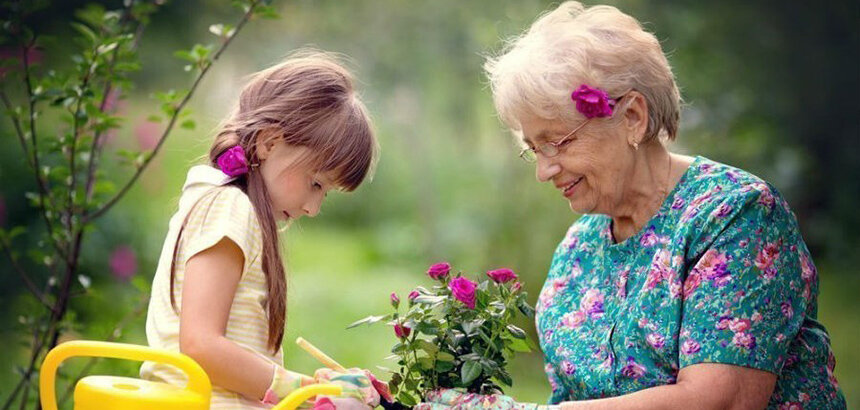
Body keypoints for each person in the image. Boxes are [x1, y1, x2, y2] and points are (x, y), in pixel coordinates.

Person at [417, 2, 846, 409]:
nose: (543, 171)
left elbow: (723, 401)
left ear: (633, 118)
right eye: (534, 149)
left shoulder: (736, 215)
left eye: (557, 141)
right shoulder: (578, 246)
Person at [140, 51, 382, 409]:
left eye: (325, 195)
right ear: (269, 143)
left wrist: (314, 386)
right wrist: (305, 392)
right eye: (316, 184)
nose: (313, 209)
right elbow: (200, 344)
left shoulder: (232, 208)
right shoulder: (230, 208)